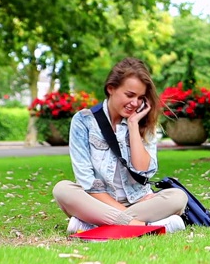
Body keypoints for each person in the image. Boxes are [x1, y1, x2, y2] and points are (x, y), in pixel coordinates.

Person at [53, 57, 188, 234]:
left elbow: (143, 171)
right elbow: (88, 183)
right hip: (97, 202)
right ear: (111, 88)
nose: (135, 103)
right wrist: (126, 217)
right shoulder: (84, 121)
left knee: (178, 197)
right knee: (62, 190)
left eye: (140, 98)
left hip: (139, 202)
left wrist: (133, 125)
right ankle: (143, 227)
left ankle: (93, 226)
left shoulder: (144, 123)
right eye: (130, 95)